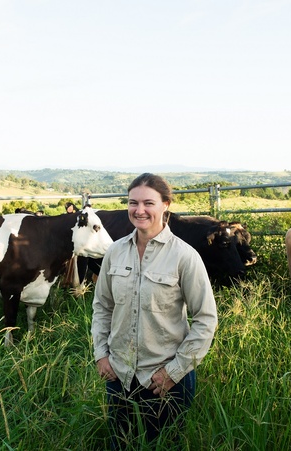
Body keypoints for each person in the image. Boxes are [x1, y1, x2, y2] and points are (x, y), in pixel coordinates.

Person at [91, 173, 218, 449]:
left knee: (165, 445)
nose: (139, 210)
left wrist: (175, 370)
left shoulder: (184, 256)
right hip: (119, 375)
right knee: (120, 444)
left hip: (166, 381)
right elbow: (102, 306)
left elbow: (206, 320)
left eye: (149, 203)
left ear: (166, 205)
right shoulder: (114, 252)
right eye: (132, 202)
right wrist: (101, 354)